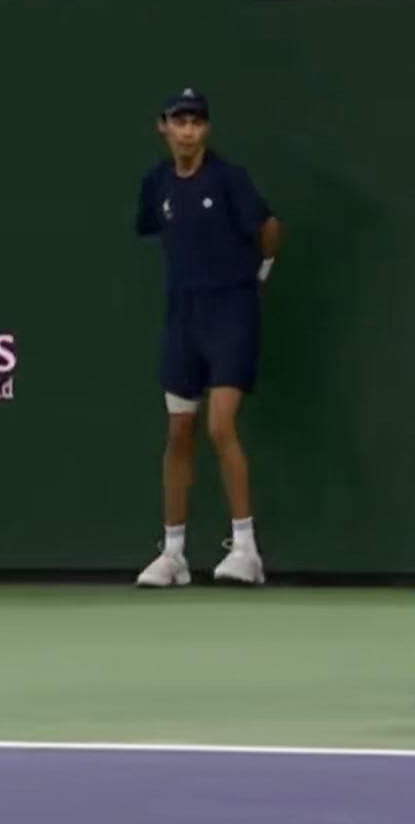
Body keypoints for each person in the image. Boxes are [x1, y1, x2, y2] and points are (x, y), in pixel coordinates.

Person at [134, 89, 281, 588]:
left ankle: (245, 550)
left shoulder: (229, 179)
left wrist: (258, 273)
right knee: (179, 430)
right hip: (183, 319)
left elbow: (269, 228)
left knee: (220, 425)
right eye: (179, 122)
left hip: (232, 313)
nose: (188, 131)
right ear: (164, 127)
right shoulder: (157, 184)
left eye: (196, 122)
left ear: (206, 129)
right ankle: (173, 555)